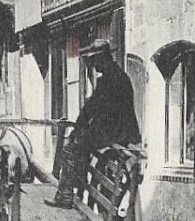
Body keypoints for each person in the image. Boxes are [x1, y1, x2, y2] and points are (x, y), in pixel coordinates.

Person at [52, 39, 141, 208]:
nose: (92, 64)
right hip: (125, 133)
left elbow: (91, 110)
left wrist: (77, 131)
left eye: (94, 60)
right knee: (81, 144)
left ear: (102, 58)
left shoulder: (107, 80)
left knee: (70, 149)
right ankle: (79, 184)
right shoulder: (121, 76)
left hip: (111, 134)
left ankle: (66, 195)